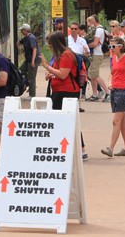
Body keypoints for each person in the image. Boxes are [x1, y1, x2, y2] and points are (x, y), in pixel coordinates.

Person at [40, 31, 88, 159]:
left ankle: (79, 150)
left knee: (67, 121)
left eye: (50, 44)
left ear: (56, 43)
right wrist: (51, 74)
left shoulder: (66, 55)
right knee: (68, 121)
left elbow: (63, 74)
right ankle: (77, 149)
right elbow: (60, 73)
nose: (48, 46)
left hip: (66, 92)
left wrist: (46, 67)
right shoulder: (61, 55)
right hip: (61, 91)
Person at [101, 37, 125, 158]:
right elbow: (112, 73)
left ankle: (110, 148)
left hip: (123, 91)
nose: (111, 49)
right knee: (121, 122)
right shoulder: (114, 58)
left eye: (113, 46)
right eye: (110, 46)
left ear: (120, 46)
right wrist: (110, 83)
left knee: (116, 121)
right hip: (115, 90)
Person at [85, 16, 110, 102]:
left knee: (94, 74)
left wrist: (85, 46)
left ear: (94, 21)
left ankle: (107, 92)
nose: (88, 24)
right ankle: (95, 94)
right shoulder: (97, 29)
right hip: (95, 54)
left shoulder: (98, 30)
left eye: (89, 22)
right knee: (91, 74)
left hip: (97, 53)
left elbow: (95, 43)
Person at [18, 23, 40, 99]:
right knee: (20, 71)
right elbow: (19, 43)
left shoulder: (31, 38)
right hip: (28, 60)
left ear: (26, 30)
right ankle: (29, 84)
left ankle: (32, 95)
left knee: (31, 77)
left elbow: (34, 49)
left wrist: (33, 61)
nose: (21, 32)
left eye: (22, 30)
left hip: (33, 60)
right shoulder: (25, 38)